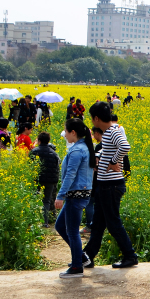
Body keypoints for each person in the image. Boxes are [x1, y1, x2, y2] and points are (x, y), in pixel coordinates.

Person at [82, 102, 138, 269]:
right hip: (105, 184)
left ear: (96, 118)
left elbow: (125, 146)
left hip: (111, 185)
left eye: (91, 118)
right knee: (98, 223)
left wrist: (113, 162)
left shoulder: (110, 132)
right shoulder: (112, 130)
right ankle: (88, 256)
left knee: (113, 222)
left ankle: (130, 255)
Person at [55, 118, 94, 278]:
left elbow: (70, 175)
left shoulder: (78, 150)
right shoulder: (81, 147)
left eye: (66, 131)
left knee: (71, 230)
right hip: (78, 194)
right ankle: (81, 257)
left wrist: (60, 195)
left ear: (73, 132)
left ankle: (77, 266)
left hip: (75, 195)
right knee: (60, 226)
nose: (64, 134)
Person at [29, 132, 60, 225]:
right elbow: (57, 167)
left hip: (37, 179)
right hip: (50, 181)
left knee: (33, 198)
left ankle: (32, 220)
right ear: (48, 141)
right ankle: (45, 222)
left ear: (39, 141)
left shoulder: (34, 151)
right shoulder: (54, 153)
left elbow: (29, 166)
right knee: (47, 200)